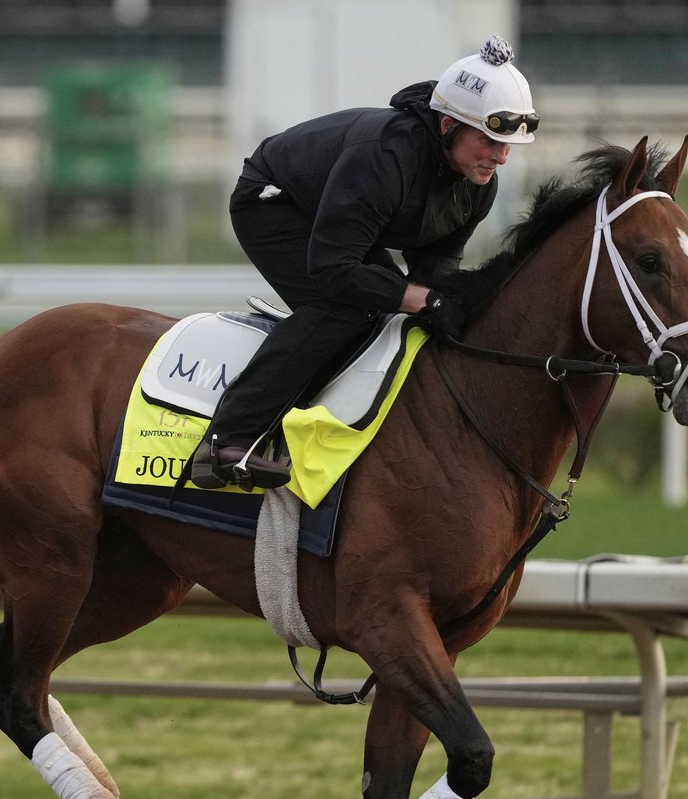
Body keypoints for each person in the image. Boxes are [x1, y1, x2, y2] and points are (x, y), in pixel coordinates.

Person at [189, 35, 539, 491]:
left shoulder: (478, 186)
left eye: (508, 143)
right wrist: (420, 298)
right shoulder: (387, 156)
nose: (501, 154)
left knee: (406, 310)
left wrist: (442, 302)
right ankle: (225, 441)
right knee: (346, 308)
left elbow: (436, 267)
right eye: (489, 139)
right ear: (448, 124)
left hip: (337, 219)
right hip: (275, 202)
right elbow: (335, 269)